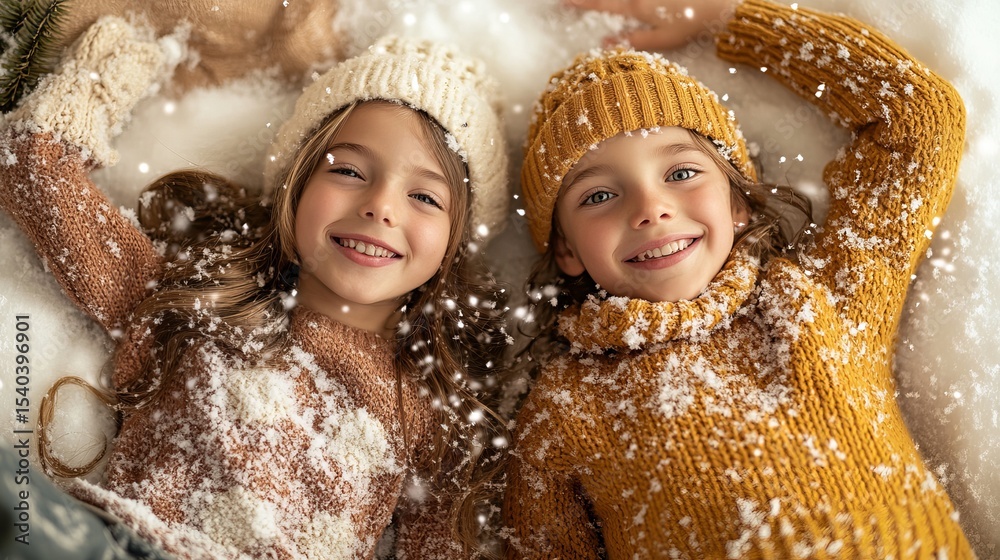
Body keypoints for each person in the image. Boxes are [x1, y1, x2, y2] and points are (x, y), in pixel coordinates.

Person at [0, 15, 511, 560]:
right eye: (349, 172)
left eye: (425, 198)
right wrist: (113, 68)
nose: (380, 206)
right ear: (295, 185)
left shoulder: (434, 416)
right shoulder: (199, 306)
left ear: (454, 246)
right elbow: (30, 164)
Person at [502, 0, 972, 558]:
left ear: (738, 205)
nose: (651, 208)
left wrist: (727, 19)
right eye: (599, 195)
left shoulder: (820, 301)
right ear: (566, 249)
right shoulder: (565, 409)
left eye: (681, 172)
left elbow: (921, 116)